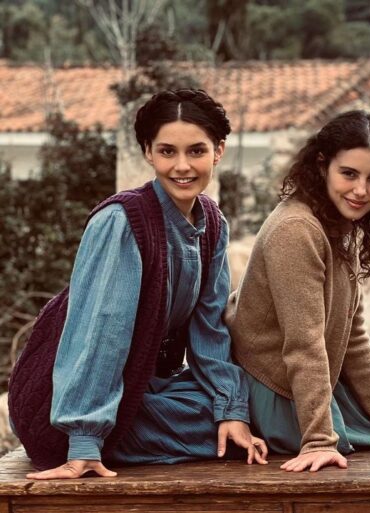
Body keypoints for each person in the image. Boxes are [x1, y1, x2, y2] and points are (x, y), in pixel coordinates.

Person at [9, 88, 268, 479]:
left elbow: (210, 328)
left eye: (196, 151)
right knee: (265, 426)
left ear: (218, 151)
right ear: (148, 152)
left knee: (254, 406)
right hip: (66, 403)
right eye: (167, 151)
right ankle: (91, 439)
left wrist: (231, 409)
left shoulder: (212, 224)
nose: (182, 166)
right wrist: (84, 440)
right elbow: (101, 333)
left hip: (143, 388)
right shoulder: (122, 221)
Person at [226, 110, 370, 473]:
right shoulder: (296, 230)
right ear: (322, 167)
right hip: (276, 389)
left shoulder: (340, 224)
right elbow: (303, 345)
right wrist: (319, 440)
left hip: (316, 379)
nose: (361, 190)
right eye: (348, 174)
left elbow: (352, 337)